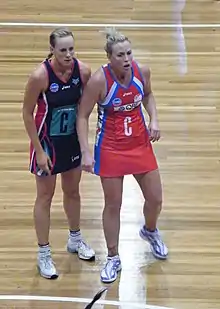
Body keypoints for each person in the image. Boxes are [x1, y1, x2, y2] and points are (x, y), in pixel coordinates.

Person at [76, 27, 168, 284]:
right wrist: (86, 151)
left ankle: (150, 231)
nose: (126, 59)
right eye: (120, 55)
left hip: (140, 144)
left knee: (156, 199)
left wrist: (154, 118)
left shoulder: (142, 72)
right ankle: (113, 256)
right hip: (111, 148)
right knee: (113, 204)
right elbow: (82, 115)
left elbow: (148, 95)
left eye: (129, 53)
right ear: (109, 57)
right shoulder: (98, 81)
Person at [22, 27, 95, 280]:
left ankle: (75, 239)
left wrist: (86, 147)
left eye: (71, 49)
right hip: (47, 144)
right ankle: (43, 253)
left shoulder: (82, 71)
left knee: (73, 191)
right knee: (45, 196)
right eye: (62, 49)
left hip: (71, 142)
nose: (68, 54)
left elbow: (85, 110)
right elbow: (27, 114)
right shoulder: (40, 76)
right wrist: (39, 151)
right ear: (52, 49)